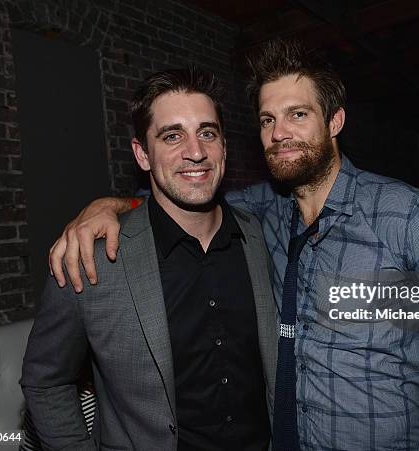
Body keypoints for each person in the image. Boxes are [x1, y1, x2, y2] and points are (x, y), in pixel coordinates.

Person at [49, 40, 419, 450]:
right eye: (267, 119)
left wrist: (418, 377)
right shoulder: (264, 214)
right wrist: (105, 206)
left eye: (298, 114)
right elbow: (185, 192)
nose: (280, 134)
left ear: (335, 120)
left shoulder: (406, 215)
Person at [21, 67, 276, 451]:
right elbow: (45, 379)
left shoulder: (259, 236)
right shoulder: (93, 257)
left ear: (224, 146)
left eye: (207, 132)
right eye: (172, 136)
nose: (195, 151)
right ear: (142, 154)